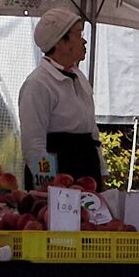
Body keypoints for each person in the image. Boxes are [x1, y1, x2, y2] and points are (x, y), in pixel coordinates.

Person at [17, 12, 103, 183]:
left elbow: (93, 133)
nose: (84, 41)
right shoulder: (38, 84)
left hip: (86, 168)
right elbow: (34, 144)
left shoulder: (78, 77)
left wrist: (101, 172)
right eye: (79, 35)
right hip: (59, 169)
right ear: (60, 42)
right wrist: (48, 183)